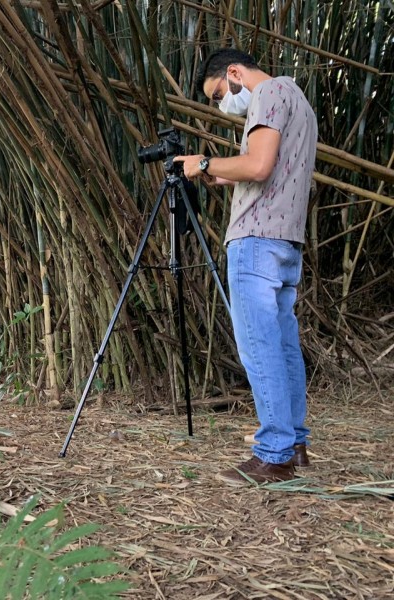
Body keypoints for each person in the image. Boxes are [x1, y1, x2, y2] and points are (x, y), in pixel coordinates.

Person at [174, 48, 318, 485]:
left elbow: (258, 164)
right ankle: (294, 443)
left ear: (234, 73)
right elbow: (272, 167)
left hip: (255, 240)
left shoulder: (269, 92)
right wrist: (224, 173)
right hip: (287, 239)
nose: (223, 103)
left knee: (259, 347)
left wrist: (201, 164)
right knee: (283, 344)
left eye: (219, 93)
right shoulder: (298, 99)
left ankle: (273, 454)